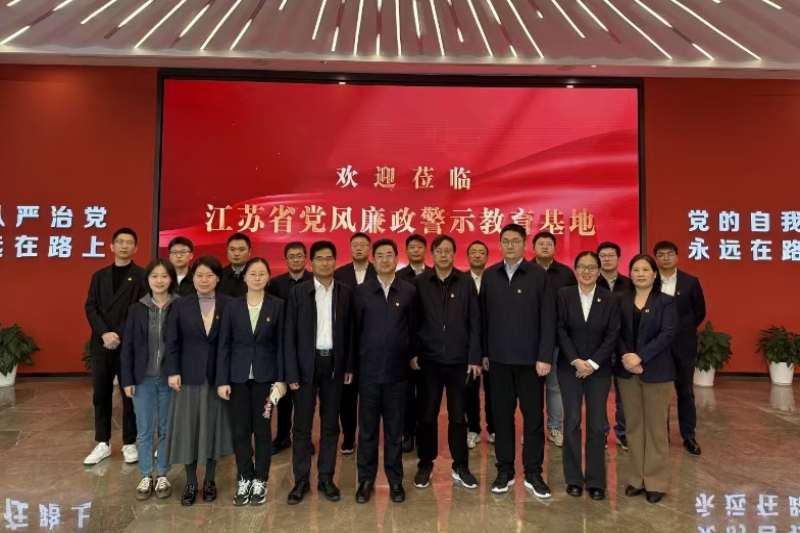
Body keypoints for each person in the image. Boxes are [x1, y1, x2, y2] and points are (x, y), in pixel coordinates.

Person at [480, 223, 555, 496]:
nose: (510, 245)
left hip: (531, 363)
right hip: (498, 361)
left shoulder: (538, 275)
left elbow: (548, 318)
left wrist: (544, 355)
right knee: (502, 419)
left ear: (525, 244)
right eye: (505, 241)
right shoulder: (490, 276)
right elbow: (482, 318)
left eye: (515, 241)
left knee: (533, 419)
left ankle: (533, 472)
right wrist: (483, 353)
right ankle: (505, 470)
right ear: (500, 244)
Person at [285, 241, 355, 505]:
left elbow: (351, 332)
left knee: (330, 425)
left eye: (329, 258)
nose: (325, 263)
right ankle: (301, 481)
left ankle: (326, 478)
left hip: (334, 366)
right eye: (319, 259)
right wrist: (291, 371)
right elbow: (289, 336)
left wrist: (349, 366)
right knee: (301, 427)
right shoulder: (298, 292)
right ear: (311, 263)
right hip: (306, 366)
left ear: (335, 261)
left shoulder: (345, 292)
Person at [412, 235, 481, 490]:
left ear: (454, 254)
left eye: (448, 250)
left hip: (459, 361)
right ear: (432, 254)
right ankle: (425, 464)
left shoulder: (465, 282)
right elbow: (413, 321)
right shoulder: (421, 282)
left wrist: (474, 357)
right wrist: (414, 352)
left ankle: (460, 465)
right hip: (428, 361)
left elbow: (475, 322)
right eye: (439, 251)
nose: (443, 255)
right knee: (426, 415)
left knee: (458, 415)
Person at [165, 256, 234, 506]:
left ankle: (211, 480)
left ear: (218, 278)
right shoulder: (180, 305)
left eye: (209, 275)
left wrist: (227, 377)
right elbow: (171, 341)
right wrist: (173, 371)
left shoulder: (229, 304)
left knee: (214, 430)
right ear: (192, 278)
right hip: (188, 378)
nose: (204, 280)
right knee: (189, 431)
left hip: (218, 379)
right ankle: (191, 482)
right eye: (199, 275)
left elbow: (232, 343)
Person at [217, 257, 287, 506]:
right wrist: (222, 380)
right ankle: (244, 477)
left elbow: (283, 345)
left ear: (268, 277)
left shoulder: (278, 306)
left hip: (266, 380)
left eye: (261, 274)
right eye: (252, 274)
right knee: (240, 431)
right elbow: (224, 345)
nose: (257, 278)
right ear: (245, 277)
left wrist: (281, 380)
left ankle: (260, 480)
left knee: (263, 431)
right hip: (236, 379)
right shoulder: (232, 306)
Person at [353, 238, 416, 504]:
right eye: (379, 255)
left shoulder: (409, 291)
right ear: (373, 259)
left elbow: (413, 329)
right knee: (367, 431)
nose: (384, 259)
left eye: (389, 255)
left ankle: (395, 480)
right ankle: (366, 480)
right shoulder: (362, 291)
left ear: (397, 258)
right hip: (369, 374)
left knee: (394, 432)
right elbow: (355, 331)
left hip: (398, 375)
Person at [556, 252, 620, 501]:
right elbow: (560, 329)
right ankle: (573, 478)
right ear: (575, 269)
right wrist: (576, 360)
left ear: (598, 271)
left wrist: (592, 363)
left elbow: (613, 334)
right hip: (569, 368)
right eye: (581, 267)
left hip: (599, 371)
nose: (586, 271)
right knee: (571, 421)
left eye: (591, 267)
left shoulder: (610, 298)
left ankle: (596, 481)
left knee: (595, 424)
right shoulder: (564, 295)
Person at [616, 254, 677, 504]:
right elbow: (615, 332)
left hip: (657, 372)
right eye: (636, 269)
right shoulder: (620, 300)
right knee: (633, 427)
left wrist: (640, 356)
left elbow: (668, 334)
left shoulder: (666, 302)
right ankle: (637, 479)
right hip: (627, 372)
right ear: (630, 274)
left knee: (656, 428)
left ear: (654, 274)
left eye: (645, 269)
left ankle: (656, 481)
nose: (640, 274)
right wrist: (627, 358)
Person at [83, 227, 147, 466]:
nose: (124, 246)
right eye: (120, 242)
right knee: (100, 393)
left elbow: (140, 309)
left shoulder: (142, 276)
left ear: (135, 248)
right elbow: (90, 307)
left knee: (129, 393)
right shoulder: (99, 276)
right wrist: (104, 333)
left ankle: (130, 443)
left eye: (129, 242)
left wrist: (117, 334)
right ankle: (103, 442)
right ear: (111, 246)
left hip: (128, 343)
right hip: (101, 343)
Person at [120, 258, 179, 501]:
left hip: (170, 379)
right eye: (155, 276)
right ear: (148, 279)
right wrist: (127, 380)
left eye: (164, 276)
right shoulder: (136, 309)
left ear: (171, 279)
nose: (159, 280)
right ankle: (146, 474)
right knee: (144, 429)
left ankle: (162, 473)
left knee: (166, 428)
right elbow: (128, 347)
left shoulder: (181, 306)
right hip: (142, 378)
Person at [654, 241, 706, 456]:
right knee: (659, 394)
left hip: (683, 346)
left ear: (677, 257)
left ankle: (689, 436)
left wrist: (681, 330)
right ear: (656, 258)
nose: (665, 258)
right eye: (661, 255)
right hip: (656, 348)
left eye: (669, 254)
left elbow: (699, 312)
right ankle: (661, 436)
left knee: (685, 392)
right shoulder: (649, 279)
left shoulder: (690, 282)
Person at [267, 242, 313, 455]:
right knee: (282, 396)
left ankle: (304, 438)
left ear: (306, 258)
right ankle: (282, 436)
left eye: (299, 256)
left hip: (307, 347)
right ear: (286, 260)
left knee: (305, 399)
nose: (296, 259)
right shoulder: (276, 284)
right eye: (291, 256)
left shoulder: (314, 281)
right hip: (281, 346)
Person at [334, 232, 377, 455]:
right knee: (347, 397)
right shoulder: (339, 274)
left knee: (370, 397)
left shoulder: (379, 272)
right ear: (350, 248)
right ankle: (349, 437)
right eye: (355, 245)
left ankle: (368, 437)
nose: (358, 248)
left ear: (370, 248)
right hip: (346, 342)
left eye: (363, 245)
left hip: (372, 343)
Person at [533, 231, 576, 449]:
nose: (544, 247)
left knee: (554, 386)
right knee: (531, 389)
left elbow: (573, 305)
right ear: (533, 247)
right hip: (530, 340)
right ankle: (533, 430)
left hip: (558, 339)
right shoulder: (525, 271)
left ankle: (554, 428)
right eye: (540, 243)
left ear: (555, 248)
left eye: (548, 244)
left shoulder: (566, 274)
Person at [596, 241, 633, 451]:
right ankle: (601, 432)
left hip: (624, 347)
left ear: (619, 259)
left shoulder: (630, 284)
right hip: (598, 348)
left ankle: (623, 433)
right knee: (598, 394)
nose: (607, 259)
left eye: (611, 255)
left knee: (624, 395)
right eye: (603, 255)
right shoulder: (591, 283)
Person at [395, 233, 429, 454]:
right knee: (406, 394)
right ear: (406, 252)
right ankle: (407, 434)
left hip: (429, 344)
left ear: (425, 251)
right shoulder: (399, 276)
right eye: (412, 247)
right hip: (405, 343)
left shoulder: (434, 275)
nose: (416, 250)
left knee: (426, 394)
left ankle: (424, 435)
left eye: (419, 247)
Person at [465, 240, 494, 449]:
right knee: (470, 390)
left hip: (492, 344)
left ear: (487, 257)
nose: (477, 255)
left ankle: (493, 429)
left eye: (481, 252)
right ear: (467, 257)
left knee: (494, 390)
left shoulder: (494, 279)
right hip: (468, 345)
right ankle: (473, 429)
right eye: (473, 252)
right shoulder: (460, 280)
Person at [218, 233, 251, 298]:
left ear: (249, 252)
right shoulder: (219, 276)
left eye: (241, 250)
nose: (236, 254)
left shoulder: (257, 275)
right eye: (232, 250)